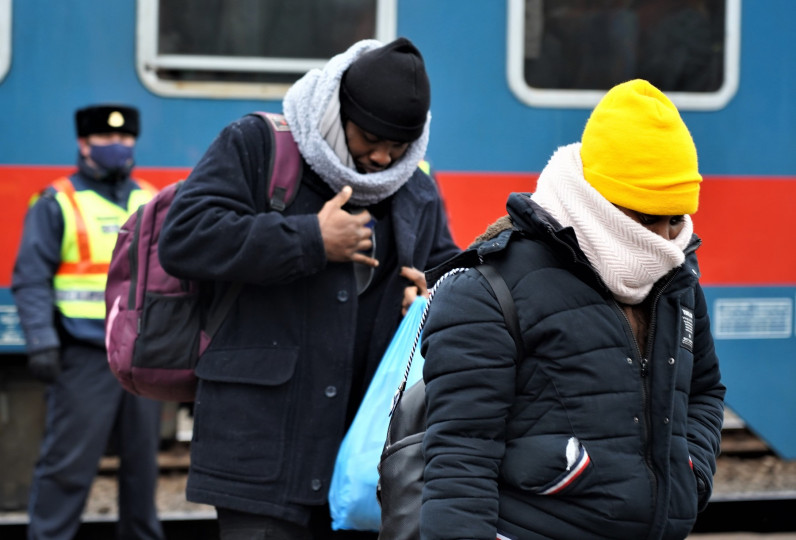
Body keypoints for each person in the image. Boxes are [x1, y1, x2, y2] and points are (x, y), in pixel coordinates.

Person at [157, 37, 460, 539]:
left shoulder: (417, 189)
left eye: (400, 147)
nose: (384, 159)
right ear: (339, 111)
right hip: (260, 456)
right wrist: (309, 239)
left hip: (360, 464)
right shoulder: (257, 144)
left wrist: (429, 297)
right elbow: (185, 237)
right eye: (369, 138)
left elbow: (445, 271)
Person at [419, 79, 726, 540]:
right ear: (600, 203)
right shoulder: (488, 290)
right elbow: (459, 460)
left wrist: (690, 472)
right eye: (646, 218)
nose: (664, 240)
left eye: (676, 218)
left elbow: (704, 390)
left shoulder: (675, 278)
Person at [12, 104, 165, 540]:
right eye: (104, 139)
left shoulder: (150, 200)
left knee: (142, 472)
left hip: (144, 357)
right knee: (67, 468)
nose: (118, 146)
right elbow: (31, 279)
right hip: (85, 357)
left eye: (126, 139)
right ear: (83, 144)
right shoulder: (57, 201)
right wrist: (41, 341)